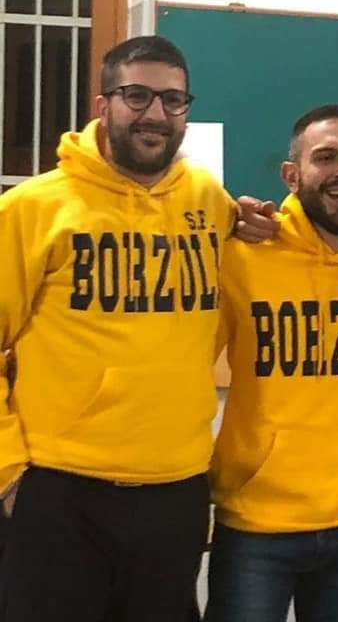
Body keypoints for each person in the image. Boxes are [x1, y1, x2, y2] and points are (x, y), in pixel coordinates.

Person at [0, 35, 240, 622]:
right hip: (59, 491)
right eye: (137, 96)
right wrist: (8, 471)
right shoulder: (32, 208)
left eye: (173, 100)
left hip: (177, 489)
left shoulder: (209, 200)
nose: (156, 113)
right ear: (103, 104)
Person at [204, 104, 338, 622]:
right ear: (291, 175)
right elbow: (189, 364)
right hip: (256, 524)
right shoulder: (243, 254)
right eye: (326, 157)